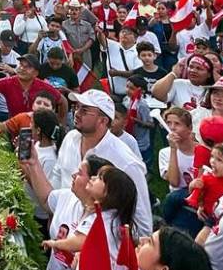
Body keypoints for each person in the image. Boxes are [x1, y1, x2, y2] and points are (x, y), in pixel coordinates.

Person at [50, 89, 153, 236]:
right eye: (77, 107)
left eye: (84, 110)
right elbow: (58, 176)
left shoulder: (126, 162)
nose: (77, 113)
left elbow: (142, 225)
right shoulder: (70, 138)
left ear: (103, 121)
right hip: (61, 236)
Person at [0, 54, 67, 121]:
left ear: (36, 73)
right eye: (21, 65)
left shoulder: (43, 86)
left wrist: (60, 122)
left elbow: (63, 101)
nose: (22, 69)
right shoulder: (9, 82)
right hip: (13, 128)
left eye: (27, 67)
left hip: (37, 132)